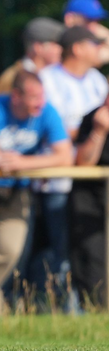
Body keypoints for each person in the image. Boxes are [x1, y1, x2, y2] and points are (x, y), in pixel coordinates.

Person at [0, 71, 72, 315]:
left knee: (9, 249)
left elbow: (65, 155)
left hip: (14, 189)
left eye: (42, 96)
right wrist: (34, 162)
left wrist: (23, 163)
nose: (40, 102)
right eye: (33, 97)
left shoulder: (46, 111)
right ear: (16, 96)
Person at [32, 26, 108, 304]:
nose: (100, 48)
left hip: (89, 184)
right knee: (59, 253)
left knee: (85, 251)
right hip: (55, 181)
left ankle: (79, 309)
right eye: (94, 43)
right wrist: (86, 129)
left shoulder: (98, 81)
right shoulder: (47, 80)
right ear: (76, 48)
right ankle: (53, 308)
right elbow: (51, 129)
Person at [71, 93, 109, 306]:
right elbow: (83, 164)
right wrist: (99, 131)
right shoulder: (93, 119)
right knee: (94, 264)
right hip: (91, 203)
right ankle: (97, 312)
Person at [0, 18, 65, 94]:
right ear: (38, 47)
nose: (62, 49)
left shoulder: (56, 77)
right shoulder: (11, 79)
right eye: (56, 44)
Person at [62, 0, 109, 66]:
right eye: (89, 20)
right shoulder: (56, 47)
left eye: (97, 21)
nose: (95, 26)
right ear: (69, 19)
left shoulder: (92, 44)